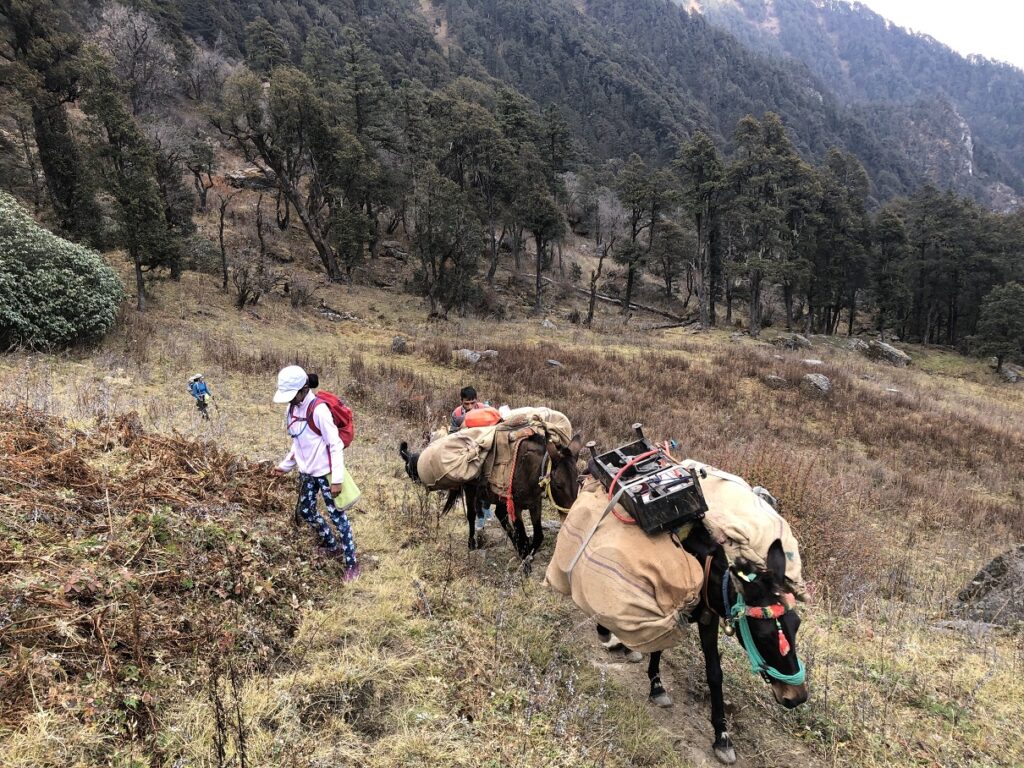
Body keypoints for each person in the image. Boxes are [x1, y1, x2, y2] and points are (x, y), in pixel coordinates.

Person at [270, 365, 359, 581]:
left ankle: (352, 563)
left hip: (326, 474)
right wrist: (285, 466)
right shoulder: (291, 410)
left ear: (304, 389)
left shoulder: (319, 410)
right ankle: (331, 545)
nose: (289, 400)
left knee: (338, 518)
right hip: (307, 473)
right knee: (307, 511)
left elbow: (335, 444)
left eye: (292, 395)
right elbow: (298, 443)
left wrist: (336, 480)